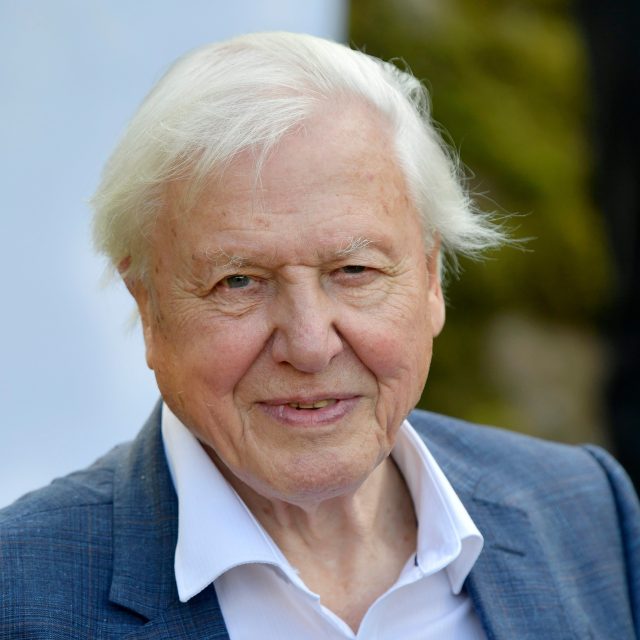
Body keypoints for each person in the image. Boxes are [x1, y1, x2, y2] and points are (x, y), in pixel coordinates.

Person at [1, 32, 638, 639]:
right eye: (239, 281)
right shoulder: (21, 593)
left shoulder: (586, 510)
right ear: (147, 303)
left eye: (354, 271)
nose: (309, 345)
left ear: (430, 279)